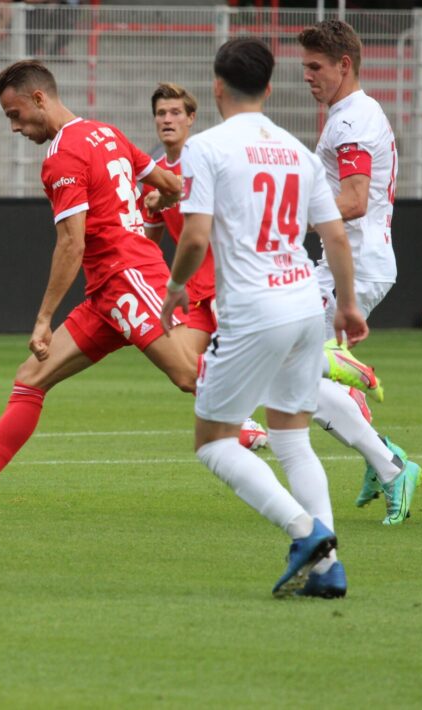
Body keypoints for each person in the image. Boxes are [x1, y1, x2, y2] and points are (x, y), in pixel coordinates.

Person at [160, 36, 364, 598]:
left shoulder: (207, 147)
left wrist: (174, 288)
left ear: (216, 87)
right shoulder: (298, 151)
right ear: (269, 88)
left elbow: (195, 236)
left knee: (213, 441)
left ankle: (305, 533)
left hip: (253, 310)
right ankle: (328, 568)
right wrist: (347, 305)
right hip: (304, 305)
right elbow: (335, 236)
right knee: (292, 438)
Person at [0, 59, 199, 513]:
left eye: (15, 114)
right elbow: (172, 184)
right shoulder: (106, 132)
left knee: (188, 375)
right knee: (30, 378)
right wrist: (160, 199)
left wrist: (44, 318)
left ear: (38, 98)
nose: (14, 127)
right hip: (106, 294)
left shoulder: (62, 155)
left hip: (129, 278)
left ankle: (302, 384)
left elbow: (71, 242)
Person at [299, 19, 422, 525]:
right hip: (346, 263)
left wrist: (288, 213)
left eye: (315, 66)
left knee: (291, 373)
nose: (307, 76)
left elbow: (352, 200)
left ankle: (391, 464)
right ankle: (381, 456)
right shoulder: (349, 115)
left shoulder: (351, 121)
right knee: (290, 371)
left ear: (344, 65)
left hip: (354, 265)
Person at [139, 83, 269, 451]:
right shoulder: (154, 177)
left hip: (228, 279)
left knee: (254, 360)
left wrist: (168, 195)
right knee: (185, 370)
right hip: (192, 290)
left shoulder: (207, 156)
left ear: (191, 118)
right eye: (161, 113)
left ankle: (327, 379)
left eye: (175, 112)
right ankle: (241, 419)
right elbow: (150, 242)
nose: (167, 119)